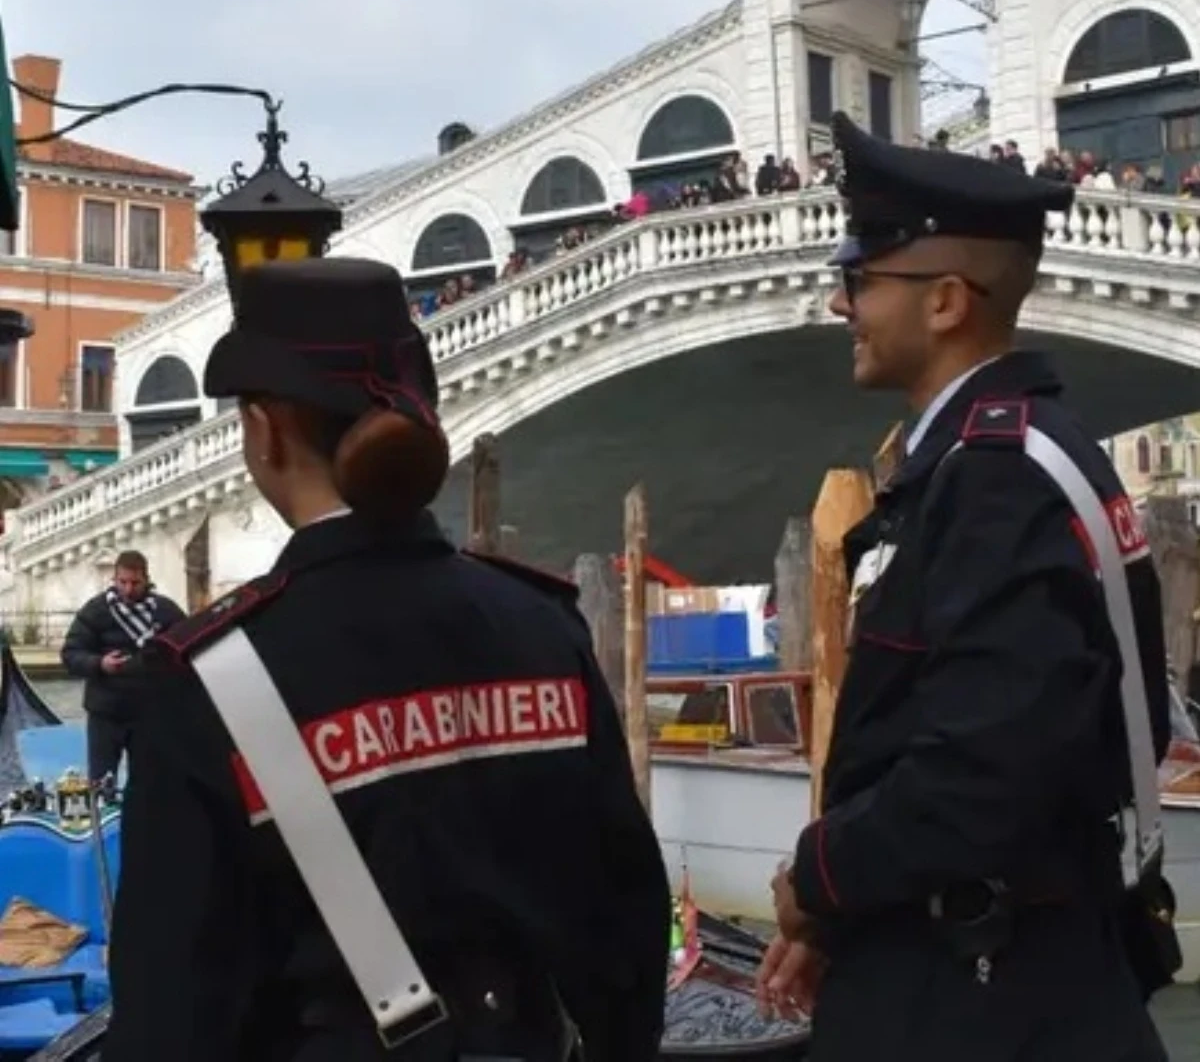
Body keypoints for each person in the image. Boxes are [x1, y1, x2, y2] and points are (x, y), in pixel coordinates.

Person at [103, 257, 670, 1062]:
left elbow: (173, 1015)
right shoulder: (543, 625)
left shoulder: (207, 684)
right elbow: (628, 928)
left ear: (264, 431)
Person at [756, 112, 1173, 1061]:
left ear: (945, 300)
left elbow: (980, 776)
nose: (838, 306)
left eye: (858, 280)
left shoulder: (994, 477)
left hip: (979, 995)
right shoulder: (1017, 455)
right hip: (1006, 964)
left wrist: (818, 879)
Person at [59, 549, 185, 782]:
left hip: (152, 715)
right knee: (101, 784)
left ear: (146, 579)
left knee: (153, 786)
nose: (128, 589)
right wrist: (100, 664)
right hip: (106, 715)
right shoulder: (95, 611)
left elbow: (187, 653)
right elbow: (71, 654)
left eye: (135, 583)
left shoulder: (167, 612)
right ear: (114, 580)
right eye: (122, 582)